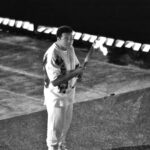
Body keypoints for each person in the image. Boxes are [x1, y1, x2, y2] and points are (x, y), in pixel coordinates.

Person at [43, 25, 82, 150]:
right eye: (67, 38)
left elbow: (76, 65)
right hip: (56, 97)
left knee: (65, 126)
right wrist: (75, 73)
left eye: (72, 38)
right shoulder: (52, 54)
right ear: (58, 38)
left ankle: (61, 146)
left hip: (69, 94)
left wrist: (79, 72)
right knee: (55, 128)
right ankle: (53, 148)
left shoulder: (70, 48)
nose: (70, 41)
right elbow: (55, 81)